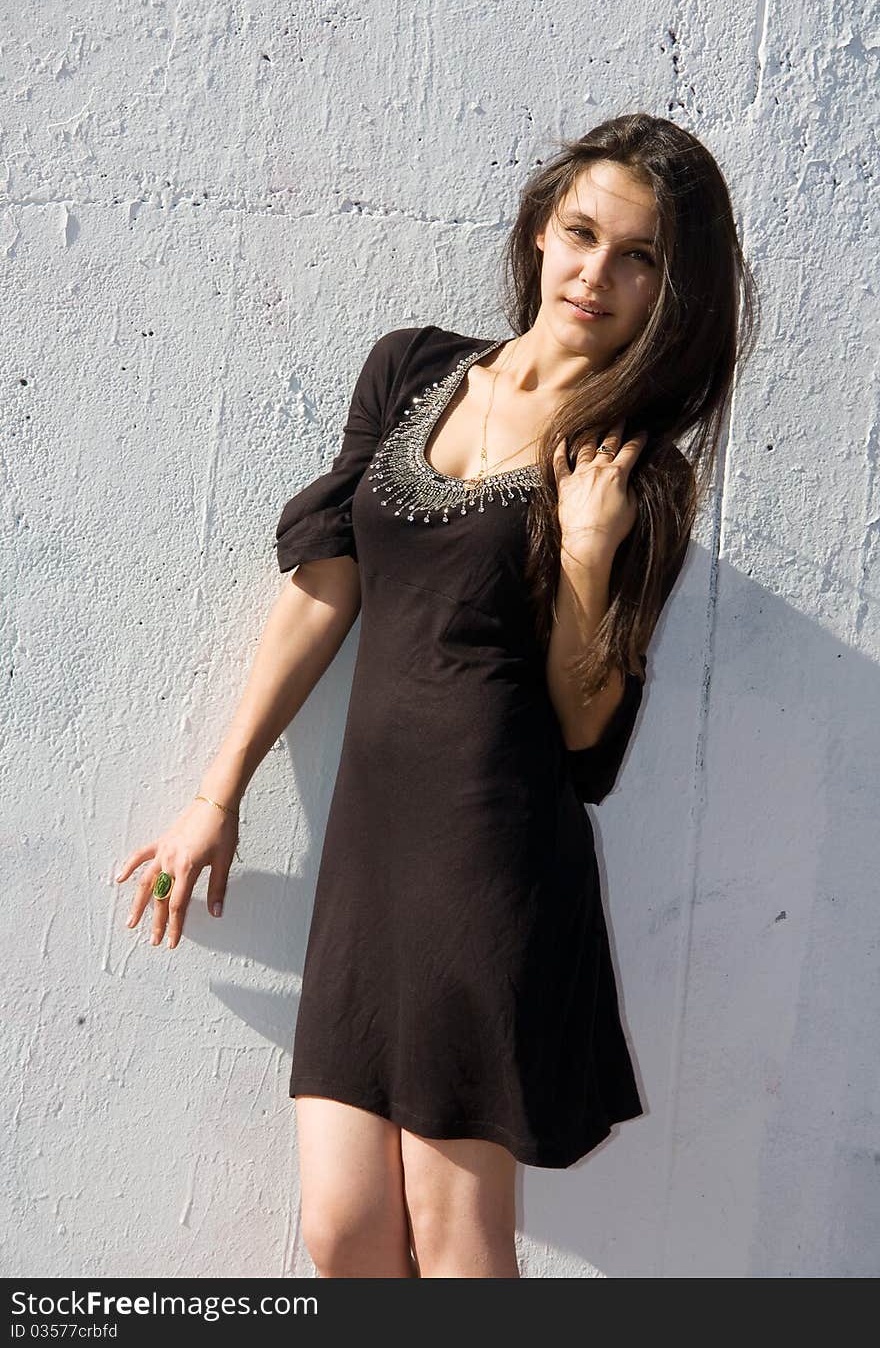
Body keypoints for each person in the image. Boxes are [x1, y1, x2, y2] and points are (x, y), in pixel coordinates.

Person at [114, 112, 759, 1278]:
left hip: (491, 857)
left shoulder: (636, 471)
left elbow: (579, 726)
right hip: (370, 852)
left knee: (458, 1235)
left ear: (673, 287)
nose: (594, 274)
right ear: (539, 229)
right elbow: (323, 591)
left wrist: (583, 552)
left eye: (638, 256)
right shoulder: (414, 366)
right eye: (580, 234)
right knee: (347, 1231)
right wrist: (218, 792)